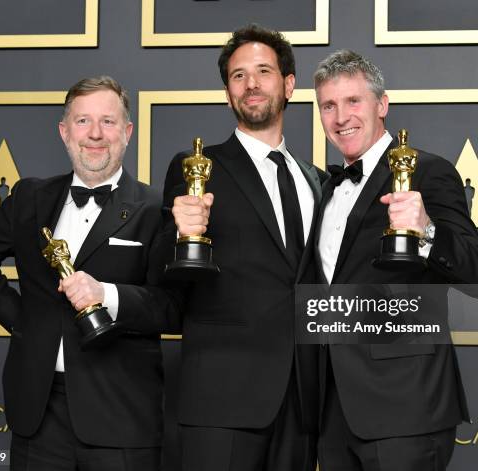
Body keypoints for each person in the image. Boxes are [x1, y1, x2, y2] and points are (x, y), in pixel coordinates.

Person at [0, 76, 179, 471]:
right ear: (64, 131)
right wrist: (27, 321)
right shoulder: (29, 197)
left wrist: (106, 295)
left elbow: (171, 307)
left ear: (127, 132)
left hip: (121, 416)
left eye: (108, 122)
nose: (95, 134)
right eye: (82, 121)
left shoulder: (157, 207)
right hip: (39, 415)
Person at [312, 50, 478, 471]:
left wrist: (428, 230)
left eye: (353, 101)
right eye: (329, 105)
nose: (341, 117)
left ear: (382, 105)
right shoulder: (324, 188)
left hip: (406, 411)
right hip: (332, 414)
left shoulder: (429, 173)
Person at [160, 24, 326, 471]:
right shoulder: (198, 168)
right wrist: (180, 232)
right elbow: (163, 271)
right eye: (238, 76)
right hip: (222, 401)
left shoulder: (318, 180)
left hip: (303, 402)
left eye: (263, 71)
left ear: (288, 85)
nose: (251, 84)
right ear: (228, 92)